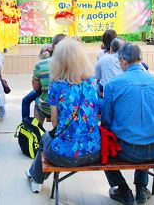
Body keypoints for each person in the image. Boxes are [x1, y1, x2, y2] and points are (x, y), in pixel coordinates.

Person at [26, 38, 101, 193]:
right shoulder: (92, 82)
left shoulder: (57, 86)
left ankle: (35, 177)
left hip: (65, 154)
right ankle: (33, 174)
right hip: (95, 151)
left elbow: (54, 124)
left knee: (45, 138)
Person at [102, 43, 154, 205]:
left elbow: (106, 123)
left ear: (123, 60)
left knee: (101, 145)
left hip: (128, 151)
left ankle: (123, 190)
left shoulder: (113, 84)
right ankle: (141, 188)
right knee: (144, 131)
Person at [32, 34, 66, 125]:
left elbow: (36, 87)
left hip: (46, 107)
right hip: (66, 108)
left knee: (36, 100)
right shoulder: (72, 66)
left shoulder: (41, 65)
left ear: (53, 46)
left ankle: (37, 131)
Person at [21, 44, 51, 119]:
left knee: (25, 101)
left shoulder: (40, 65)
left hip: (45, 99)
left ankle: (26, 125)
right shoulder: (61, 64)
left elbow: (36, 87)